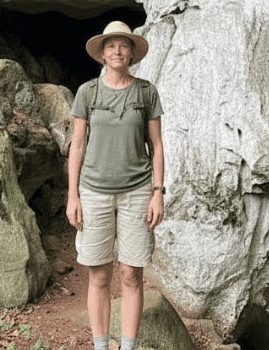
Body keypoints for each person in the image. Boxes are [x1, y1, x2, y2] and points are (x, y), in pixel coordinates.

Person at [67, 21, 165, 350]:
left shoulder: (146, 92)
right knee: (98, 275)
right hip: (93, 191)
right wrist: (72, 196)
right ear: (102, 54)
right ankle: (100, 345)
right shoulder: (87, 93)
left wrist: (158, 192)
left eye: (124, 45)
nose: (117, 51)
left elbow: (157, 145)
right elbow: (77, 146)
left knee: (130, 274)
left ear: (132, 53)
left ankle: (128, 347)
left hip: (137, 192)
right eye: (111, 46)